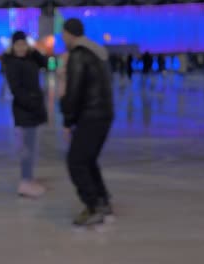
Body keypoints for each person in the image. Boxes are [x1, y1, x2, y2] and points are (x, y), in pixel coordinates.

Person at [60, 18, 115, 227]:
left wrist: (67, 119)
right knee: (88, 159)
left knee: (76, 162)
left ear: (69, 34)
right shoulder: (96, 53)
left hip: (91, 114)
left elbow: (74, 92)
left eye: (63, 34)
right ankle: (102, 200)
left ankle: (93, 206)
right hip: (103, 113)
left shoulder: (78, 55)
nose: (62, 38)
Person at [4, 31, 48, 198]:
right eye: (18, 45)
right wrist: (32, 103)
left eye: (23, 44)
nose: (21, 48)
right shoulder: (11, 63)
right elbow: (16, 90)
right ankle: (25, 181)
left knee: (32, 146)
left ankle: (29, 179)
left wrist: (34, 50)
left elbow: (45, 63)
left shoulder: (31, 58)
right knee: (27, 149)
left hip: (33, 109)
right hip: (25, 110)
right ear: (13, 46)